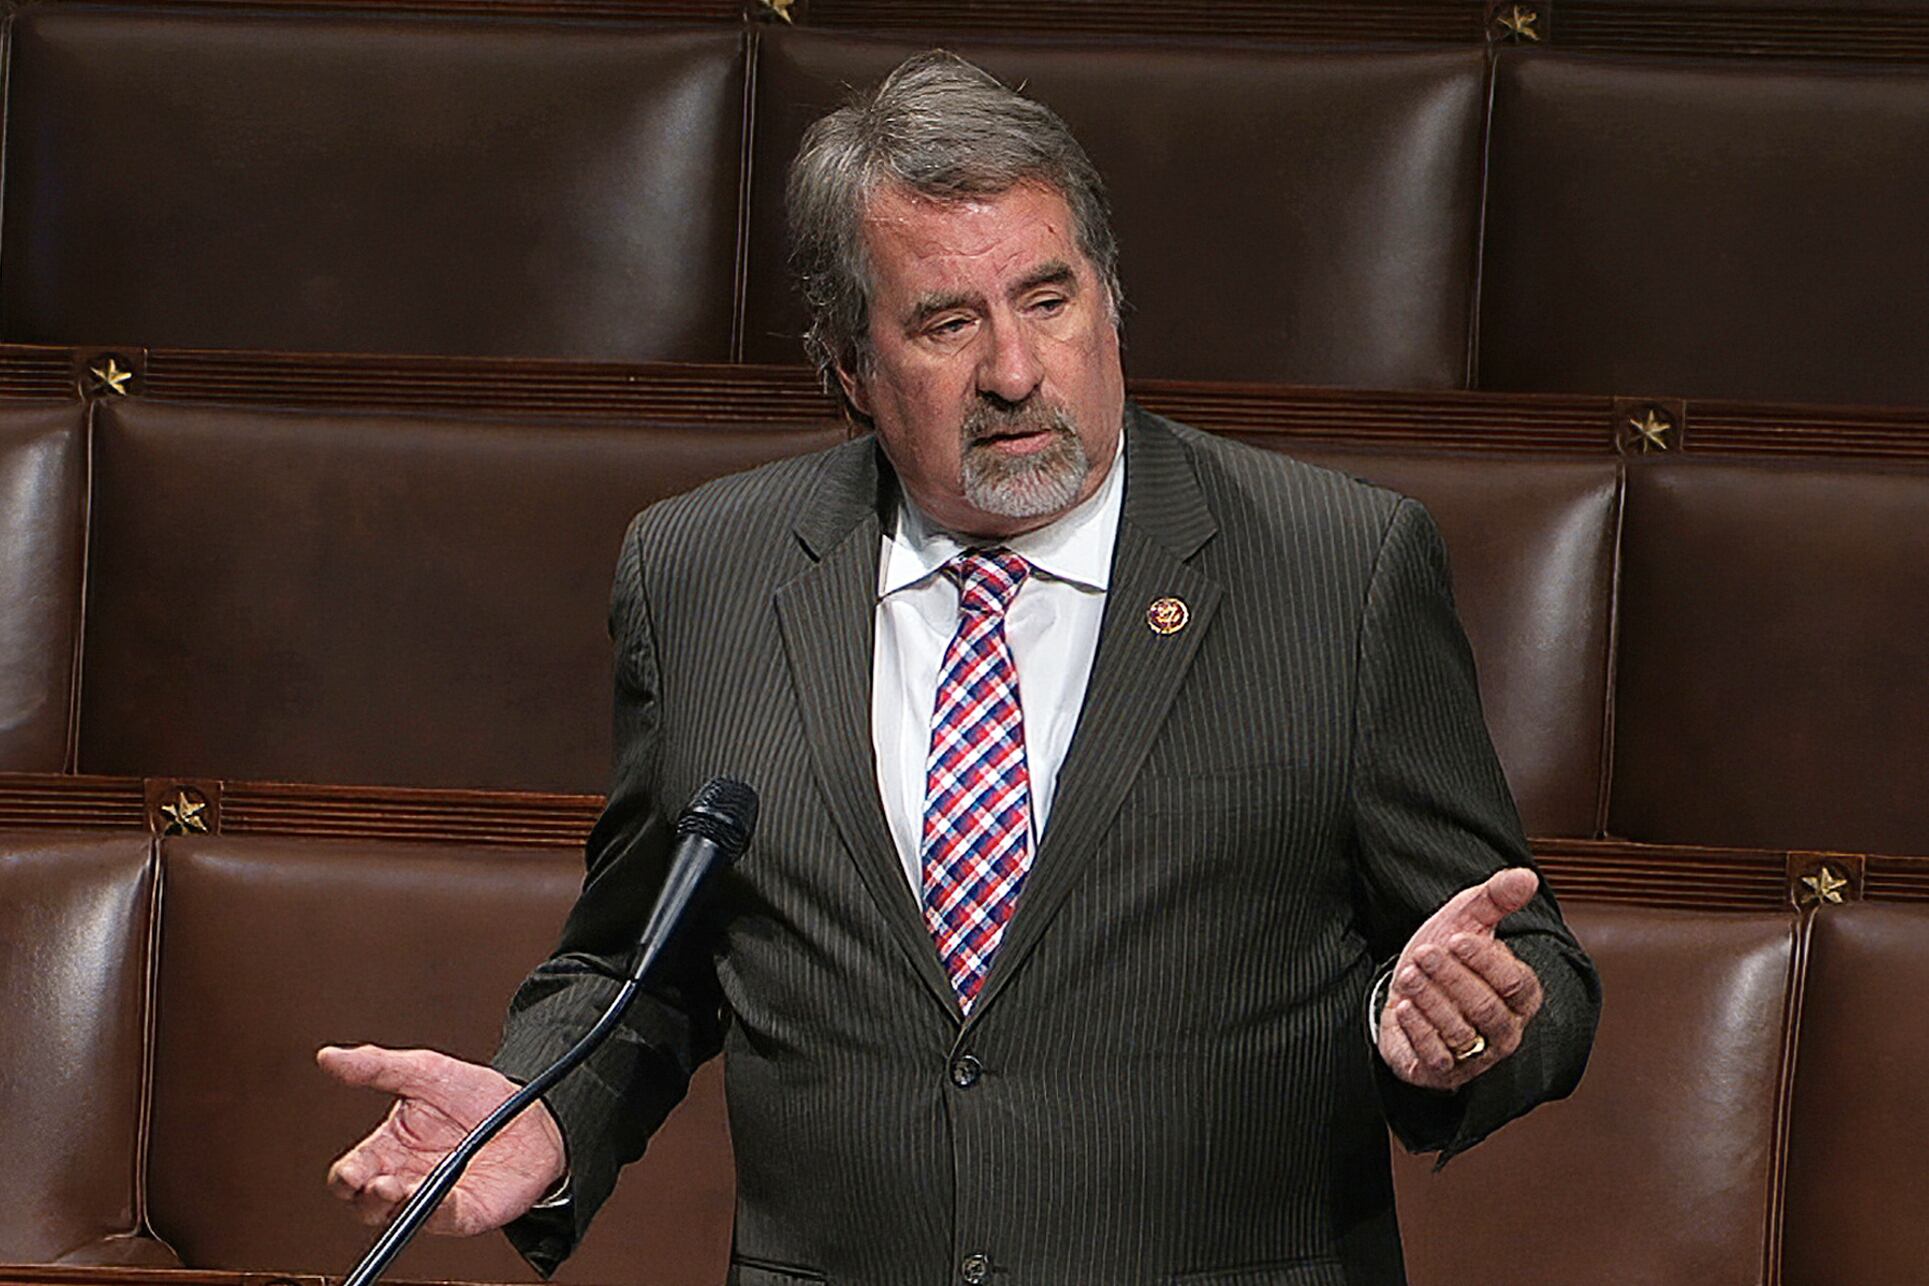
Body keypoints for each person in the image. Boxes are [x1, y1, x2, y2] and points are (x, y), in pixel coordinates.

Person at [322, 51, 1600, 1284]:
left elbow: (1525, 950)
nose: (1012, 368)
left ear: (1110, 297)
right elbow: (637, 966)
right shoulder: (702, 572)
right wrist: (542, 1115)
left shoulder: (1339, 568)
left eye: (1049, 299)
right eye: (946, 321)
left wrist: (1455, 1030)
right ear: (852, 374)